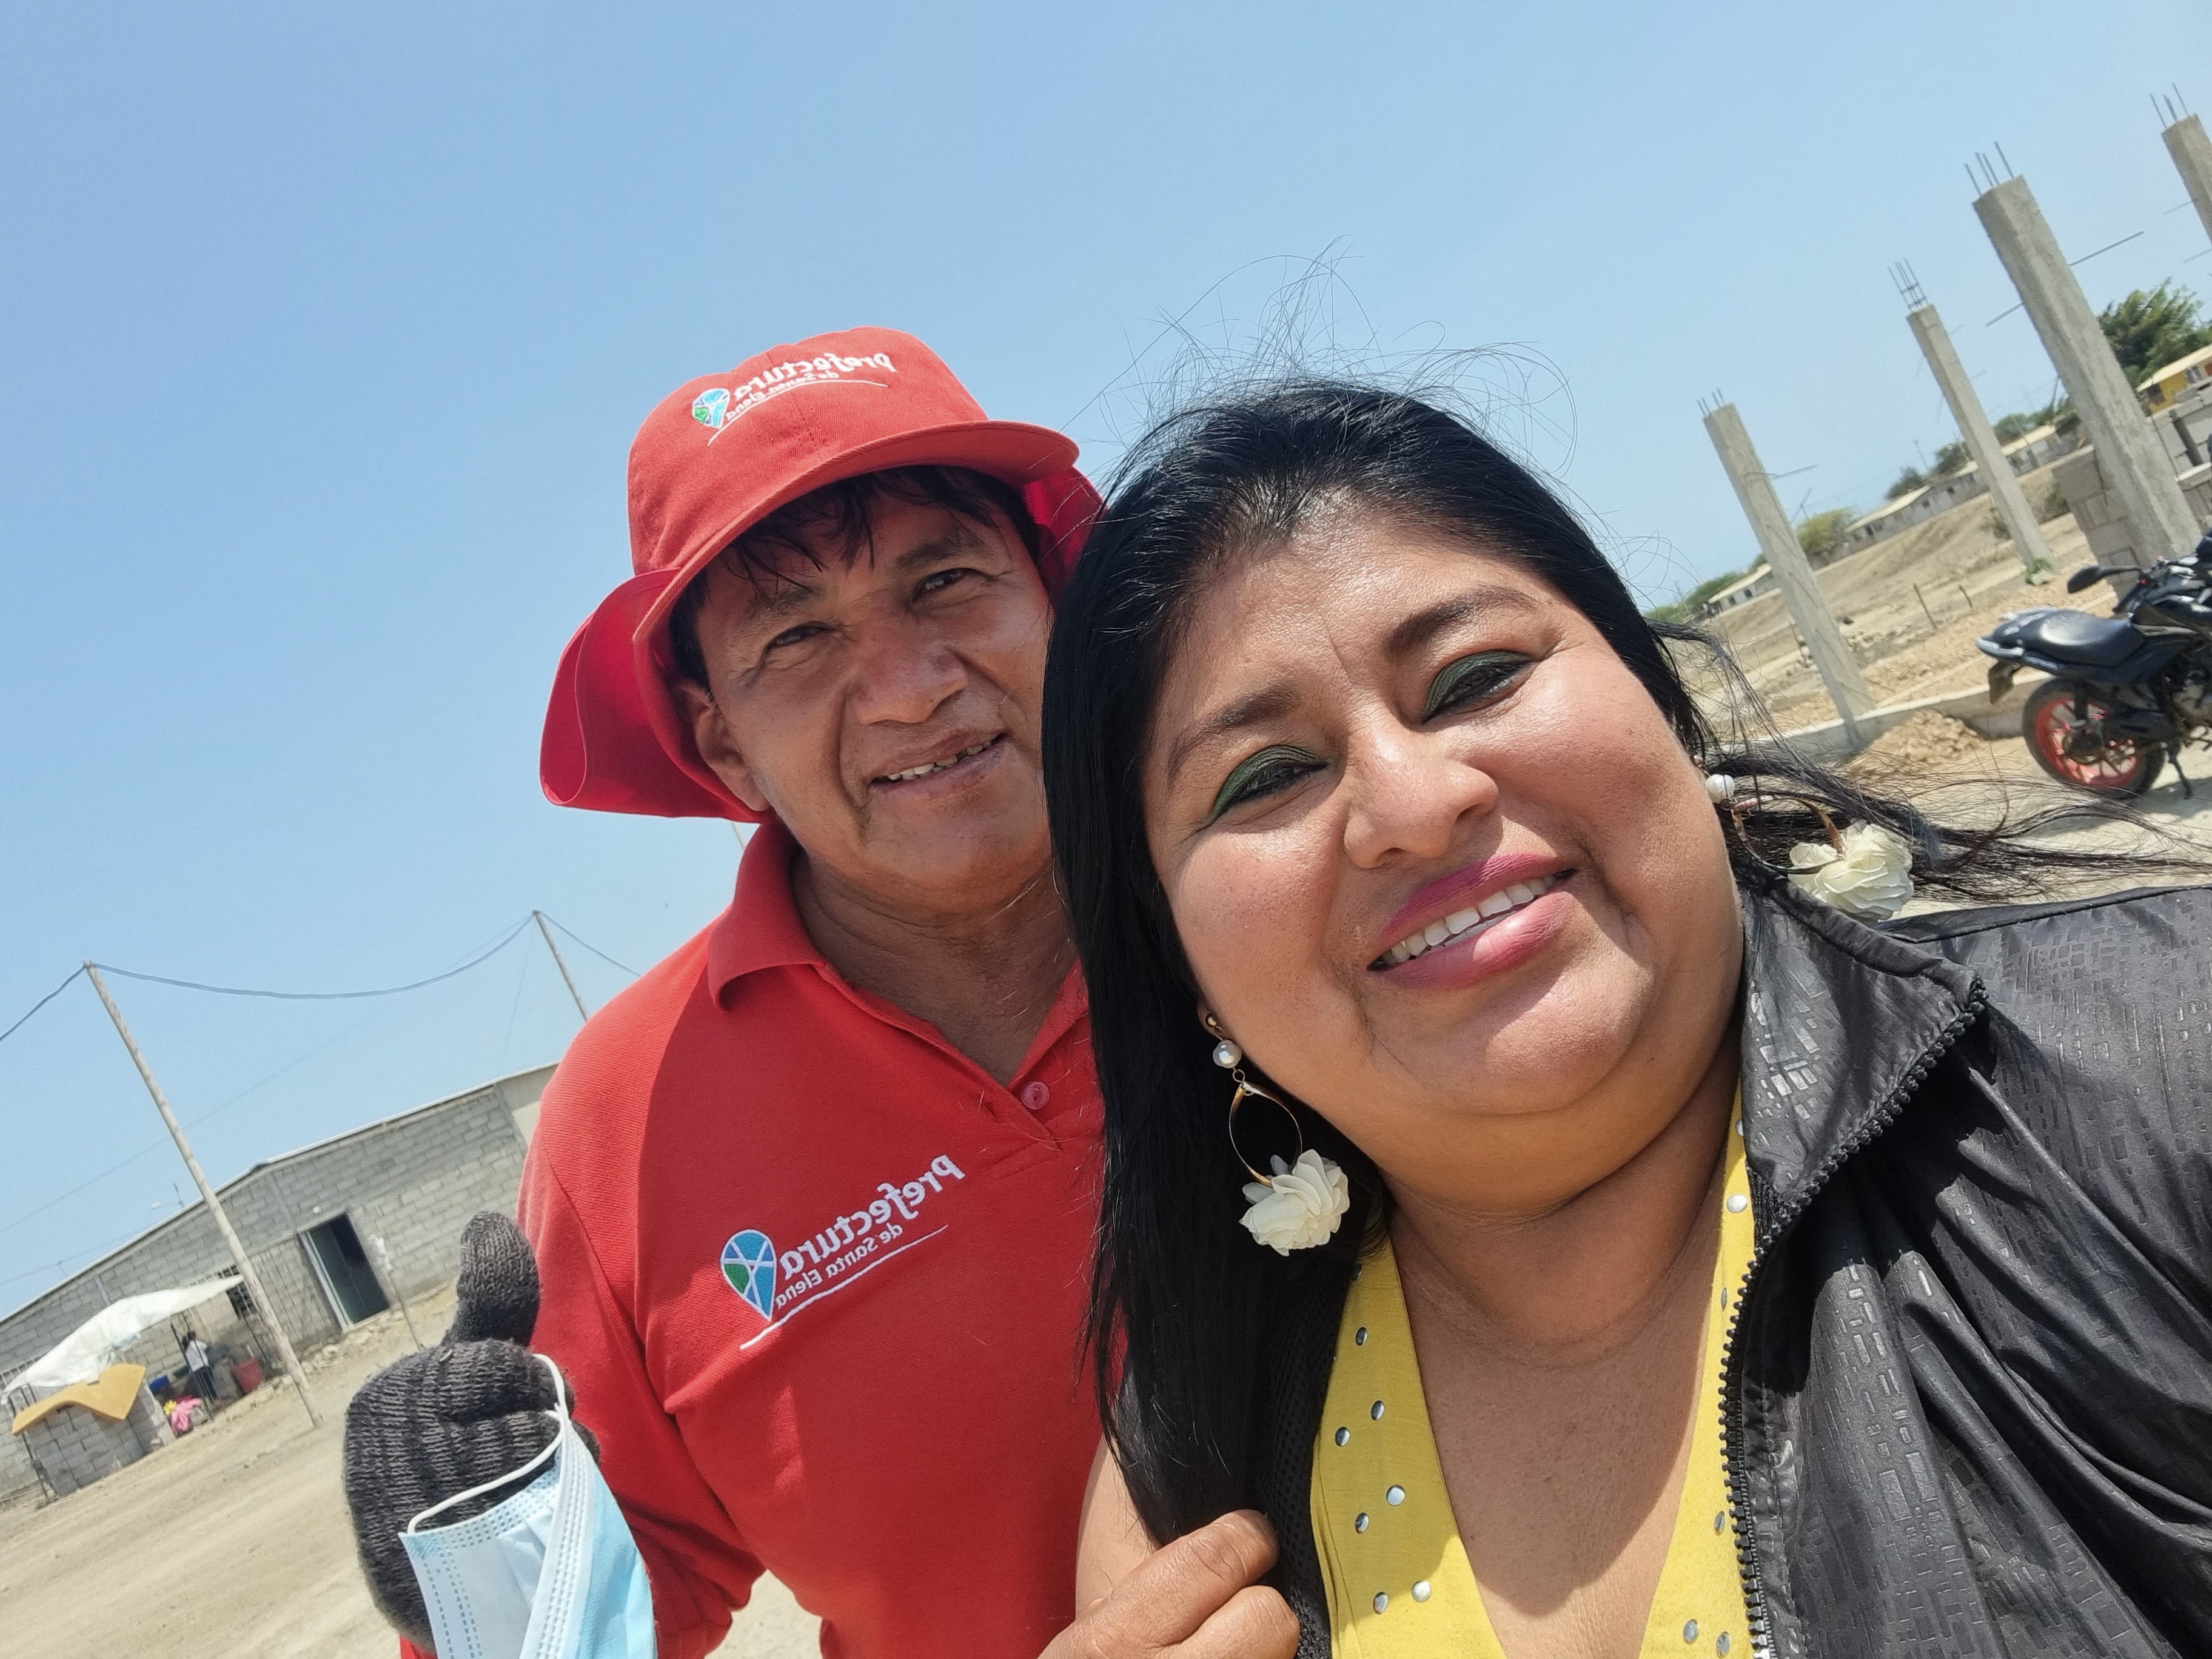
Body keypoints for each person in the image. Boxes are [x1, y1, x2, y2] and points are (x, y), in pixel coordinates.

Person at [1041, 380, 2212, 1656]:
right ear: (1183, 969)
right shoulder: (1186, 1458)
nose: (1414, 805)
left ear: (1663, 706)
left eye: (1476, 676)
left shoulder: (2161, 1065)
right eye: (1266, 776)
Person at [341, 329, 1295, 1659]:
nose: (908, 687)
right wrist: (488, 1572)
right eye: (796, 637)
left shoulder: (1279, 871)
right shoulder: (626, 1123)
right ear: (721, 742)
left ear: (1058, 603)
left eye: (946, 581)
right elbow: (612, 1611)